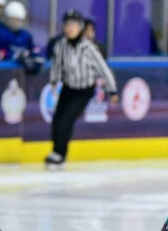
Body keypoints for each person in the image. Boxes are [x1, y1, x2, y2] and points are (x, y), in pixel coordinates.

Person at [45, 9, 117, 169]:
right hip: (68, 88)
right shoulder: (60, 45)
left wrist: (112, 90)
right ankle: (57, 152)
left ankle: (60, 154)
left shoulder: (88, 48)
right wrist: (54, 82)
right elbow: (57, 66)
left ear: (80, 27)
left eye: (74, 25)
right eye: (67, 25)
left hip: (84, 90)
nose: (70, 28)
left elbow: (103, 68)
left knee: (67, 119)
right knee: (57, 119)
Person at [4, 1, 41, 74]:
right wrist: (16, 55)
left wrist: (35, 57)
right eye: (12, 19)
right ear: (7, 19)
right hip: (4, 73)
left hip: (22, 75)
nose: (14, 22)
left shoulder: (26, 35)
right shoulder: (1, 34)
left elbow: (34, 49)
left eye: (17, 20)